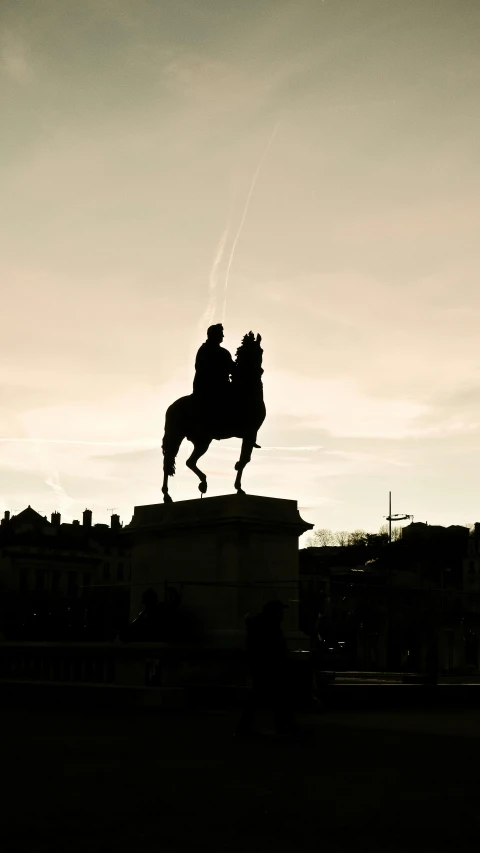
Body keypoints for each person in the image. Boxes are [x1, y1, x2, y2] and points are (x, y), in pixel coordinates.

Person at [234, 600, 307, 739]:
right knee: (278, 698)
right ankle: (284, 726)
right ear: (275, 612)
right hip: (268, 667)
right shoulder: (269, 626)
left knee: (268, 698)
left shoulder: (261, 625)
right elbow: (272, 648)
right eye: (281, 611)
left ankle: (247, 727)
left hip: (263, 667)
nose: (283, 615)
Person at [193, 324, 236, 432]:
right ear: (214, 335)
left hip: (215, 385)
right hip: (210, 387)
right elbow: (201, 369)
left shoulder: (223, 352)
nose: (223, 336)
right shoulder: (207, 351)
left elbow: (233, 369)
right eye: (221, 334)